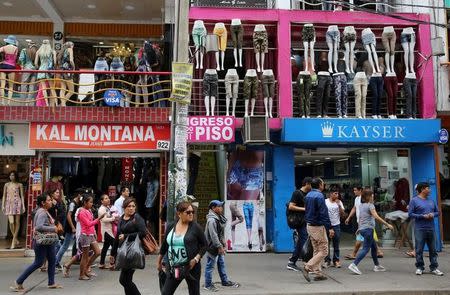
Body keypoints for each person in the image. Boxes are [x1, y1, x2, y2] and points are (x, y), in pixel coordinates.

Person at [11, 194, 62, 291]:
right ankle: (18, 282)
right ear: (43, 203)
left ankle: (51, 283)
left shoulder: (44, 211)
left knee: (52, 260)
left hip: (48, 241)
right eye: (49, 200)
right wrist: (53, 228)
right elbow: (38, 227)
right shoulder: (42, 212)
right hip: (42, 241)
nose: (51, 201)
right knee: (38, 263)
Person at [157, 201, 207, 295]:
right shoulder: (171, 226)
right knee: (166, 293)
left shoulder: (196, 227)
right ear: (179, 214)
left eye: (192, 212)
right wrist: (159, 262)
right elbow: (164, 245)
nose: (191, 214)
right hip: (174, 267)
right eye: (188, 212)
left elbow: (205, 245)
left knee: (194, 293)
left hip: (191, 267)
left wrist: (196, 259)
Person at [348, 189, 393, 275]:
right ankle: (354, 264)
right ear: (368, 196)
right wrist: (387, 224)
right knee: (365, 249)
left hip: (364, 229)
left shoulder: (361, 205)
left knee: (374, 248)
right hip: (368, 229)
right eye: (372, 195)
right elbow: (376, 216)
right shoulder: (370, 205)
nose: (373, 196)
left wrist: (359, 228)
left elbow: (360, 217)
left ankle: (377, 265)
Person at [110, 198, 146, 295]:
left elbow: (143, 233)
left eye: (133, 206)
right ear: (124, 208)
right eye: (129, 206)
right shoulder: (121, 218)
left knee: (124, 280)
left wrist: (126, 236)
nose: (131, 208)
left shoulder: (137, 218)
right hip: (123, 252)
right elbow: (117, 236)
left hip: (133, 252)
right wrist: (112, 253)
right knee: (126, 280)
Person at [300, 177, 333, 282]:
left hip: (309, 225)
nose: (324, 185)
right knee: (324, 251)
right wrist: (330, 227)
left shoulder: (308, 195)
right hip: (318, 226)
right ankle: (307, 267)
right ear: (319, 185)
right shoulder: (319, 196)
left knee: (316, 250)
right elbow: (324, 213)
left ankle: (318, 273)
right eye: (323, 183)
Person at [408, 182, 443, 276]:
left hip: (431, 228)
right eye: (428, 188)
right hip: (420, 229)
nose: (430, 190)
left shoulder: (431, 201)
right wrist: (422, 216)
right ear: (422, 189)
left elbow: (438, 212)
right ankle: (420, 267)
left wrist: (433, 214)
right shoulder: (414, 201)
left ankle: (434, 267)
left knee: (433, 250)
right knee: (419, 249)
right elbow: (410, 214)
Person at [204, 200, 239, 291]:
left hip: (218, 245)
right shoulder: (212, 220)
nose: (221, 208)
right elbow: (214, 235)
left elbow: (220, 233)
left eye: (221, 206)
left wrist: (223, 244)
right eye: (219, 206)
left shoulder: (218, 218)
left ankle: (224, 281)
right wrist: (219, 247)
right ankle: (207, 284)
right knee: (210, 265)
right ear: (213, 208)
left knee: (221, 263)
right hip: (213, 246)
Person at [286, 176, 312, 271]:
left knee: (301, 240)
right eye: (311, 185)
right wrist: (305, 209)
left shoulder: (308, 194)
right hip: (299, 221)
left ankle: (292, 262)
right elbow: (291, 207)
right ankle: (308, 264)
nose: (312, 187)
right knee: (304, 240)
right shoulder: (297, 193)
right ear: (307, 184)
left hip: (304, 220)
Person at [77, 195, 105, 280]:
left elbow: (91, 223)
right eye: (90, 202)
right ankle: (81, 274)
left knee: (97, 252)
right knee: (85, 256)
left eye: (92, 202)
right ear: (85, 202)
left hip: (90, 234)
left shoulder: (88, 210)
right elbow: (88, 224)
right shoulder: (81, 212)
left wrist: (94, 232)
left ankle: (86, 268)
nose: (92, 204)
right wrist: (99, 218)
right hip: (85, 235)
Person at [55, 188, 83, 270]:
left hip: (73, 227)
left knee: (73, 244)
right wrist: (73, 227)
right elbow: (68, 216)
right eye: (82, 195)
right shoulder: (72, 204)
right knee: (65, 246)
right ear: (79, 195)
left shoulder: (78, 203)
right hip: (69, 228)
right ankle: (56, 262)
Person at [324, 184, 345, 268]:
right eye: (335, 193)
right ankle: (327, 260)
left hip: (336, 225)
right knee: (326, 244)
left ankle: (336, 260)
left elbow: (343, 215)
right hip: (327, 225)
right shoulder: (325, 201)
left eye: (337, 193)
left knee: (336, 243)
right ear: (331, 193)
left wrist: (339, 205)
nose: (337, 195)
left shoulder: (339, 202)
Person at [98, 194, 118, 269]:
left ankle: (101, 263)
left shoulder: (107, 208)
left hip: (109, 230)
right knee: (114, 247)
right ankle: (112, 264)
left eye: (108, 198)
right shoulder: (101, 209)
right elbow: (103, 219)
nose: (108, 199)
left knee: (105, 247)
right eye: (106, 198)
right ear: (102, 201)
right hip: (106, 231)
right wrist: (113, 218)